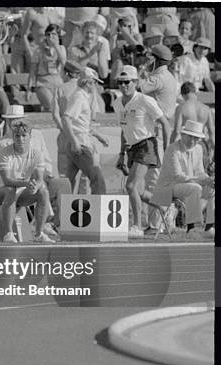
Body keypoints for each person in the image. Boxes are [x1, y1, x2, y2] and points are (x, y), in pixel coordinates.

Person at [112, 65, 171, 238]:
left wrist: (166, 151)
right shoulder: (117, 102)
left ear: (136, 82)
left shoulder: (145, 100)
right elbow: (124, 130)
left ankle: (137, 226)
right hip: (131, 148)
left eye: (127, 82)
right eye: (120, 82)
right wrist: (121, 154)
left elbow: (165, 125)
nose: (123, 86)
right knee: (136, 190)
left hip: (146, 145)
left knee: (130, 186)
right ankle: (163, 206)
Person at [0, 120, 54, 243]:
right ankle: (8, 234)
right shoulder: (4, 151)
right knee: (10, 190)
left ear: (30, 137)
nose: (20, 139)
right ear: (13, 137)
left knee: (43, 191)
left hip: (21, 190)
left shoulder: (37, 154)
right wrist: (26, 183)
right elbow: (7, 180)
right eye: (17, 136)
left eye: (24, 136)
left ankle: (39, 233)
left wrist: (35, 186)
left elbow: (40, 179)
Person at [138, 44, 179, 234]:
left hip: (156, 131)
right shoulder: (170, 76)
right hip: (161, 130)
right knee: (155, 178)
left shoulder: (157, 77)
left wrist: (143, 68)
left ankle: (156, 224)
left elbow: (136, 88)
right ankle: (159, 221)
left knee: (153, 179)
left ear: (155, 59)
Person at [151, 120, 214, 239]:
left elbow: (200, 172)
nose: (193, 141)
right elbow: (178, 176)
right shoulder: (172, 149)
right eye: (190, 137)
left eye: (196, 138)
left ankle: (209, 227)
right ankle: (192, 228)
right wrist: (202, 181)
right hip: (168, 187)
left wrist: (209, 180)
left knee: (213, 187)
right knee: (194, 188)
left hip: (190, 185)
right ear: (183, 135)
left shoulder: (199, 149)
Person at [60, 67, 108, 195]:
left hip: (77, 141)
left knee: (68, 181)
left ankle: (59, 209)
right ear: (88, 83)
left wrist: (97, 135)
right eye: (95, 82)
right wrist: (75, 141)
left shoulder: (81, 96)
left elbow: (79, 123)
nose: (96, 86)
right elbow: (66, 119)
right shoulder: (79, 97)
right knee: (98, 179)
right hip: (80, 144)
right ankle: (100, 212)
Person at [171, 81, 215, 173]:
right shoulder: (206, 109)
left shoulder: (181, 107)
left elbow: (176, 131)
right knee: (202, 176)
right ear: (195, 92)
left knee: (186, 178)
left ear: (182, 94)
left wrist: (170, 148)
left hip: (186, 145)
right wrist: (212, 154)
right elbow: (212, 134)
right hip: (201, 145)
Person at [51, 60, 83, 186]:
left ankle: (64, 204)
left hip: (65, 135)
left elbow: (55, 114)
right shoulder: (85, 89)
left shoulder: (60, 89)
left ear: (66, 73)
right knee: (84, 175)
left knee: (65, 176)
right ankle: (86, 203)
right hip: (82, 134)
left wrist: (65, 130)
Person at [26, 24, 66, 111]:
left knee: (60, 110)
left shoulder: (61, 49)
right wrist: (28, 89)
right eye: (48, 34)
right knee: (52, 107)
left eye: (53, 34)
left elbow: (63, 62)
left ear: (58, 36)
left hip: (58, 83)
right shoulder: (38, 50)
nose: (50, 36)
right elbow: (32, 71)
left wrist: (56, 46)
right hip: (43, 83)